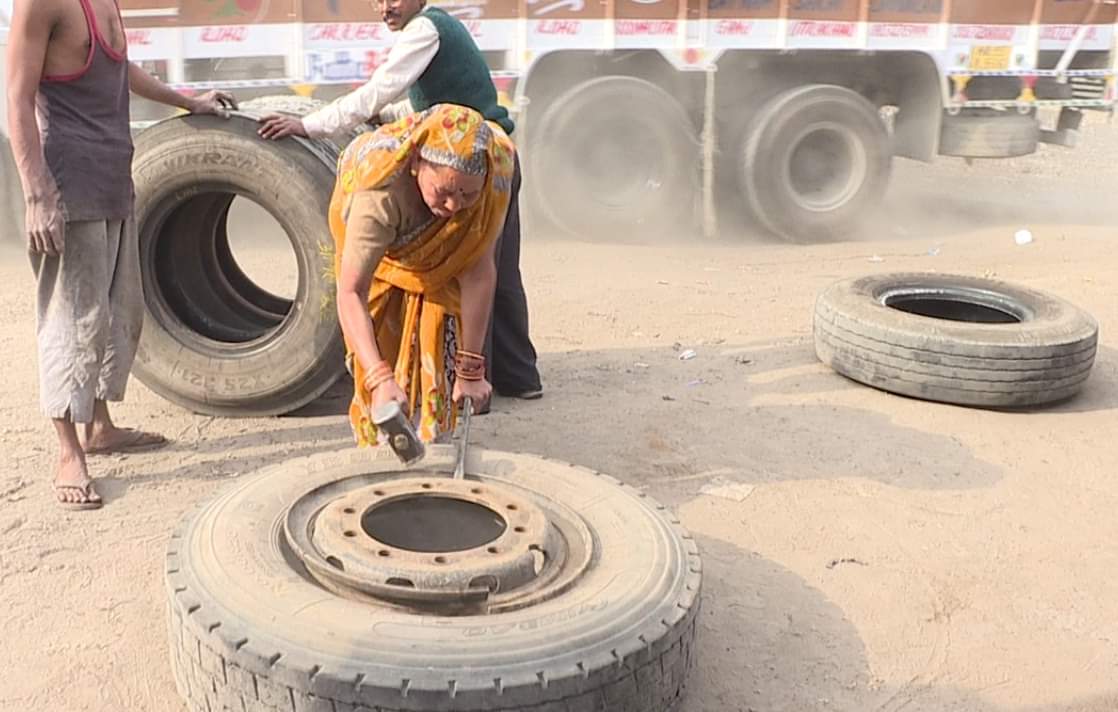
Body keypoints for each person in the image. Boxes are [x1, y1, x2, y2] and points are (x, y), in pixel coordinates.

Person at [7, 0, 235, 509]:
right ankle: (68, 451)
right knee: (73, 320)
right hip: (68, 184)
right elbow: (17, 98)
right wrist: (37, 193)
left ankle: (100, 427)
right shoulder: (39, 4)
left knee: (119, 312)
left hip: (114, 176)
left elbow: (118, 71)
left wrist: (187, 102)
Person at [257, 0, 542, 406]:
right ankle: (519, 377)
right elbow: (428, 103)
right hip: (493, 161)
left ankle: (474, 385)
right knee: (497, 268)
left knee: (472, 267)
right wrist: (387, 116)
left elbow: (379, 90)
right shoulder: (440, 28)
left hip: (475, 165)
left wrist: (309, 125)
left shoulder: (424, 30)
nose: (384, 6)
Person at [329, 104, 514, 445]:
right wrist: (378, 377)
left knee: (442, 341)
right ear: (416, 161)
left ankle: (434, 434)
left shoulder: (495, 175)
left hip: (442, 264)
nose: (453, 206)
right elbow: (351, 291)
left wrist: (471, 368)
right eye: (444, 191)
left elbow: (477, 272)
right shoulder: (378, 194)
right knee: (380, 353)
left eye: (467, 194)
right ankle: (382, 442)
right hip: (382, 260)